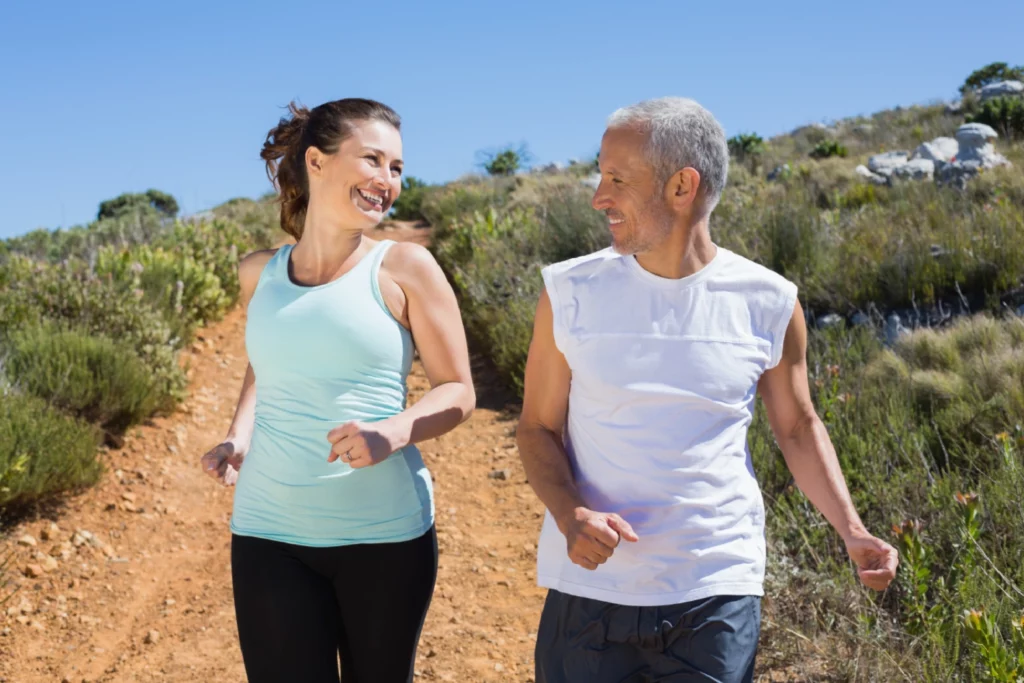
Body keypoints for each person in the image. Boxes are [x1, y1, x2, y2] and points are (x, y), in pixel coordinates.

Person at [516, 97, 899, 683]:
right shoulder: (569, 291)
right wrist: (570, 517)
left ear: (681, 186)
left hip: (716, 591)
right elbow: (537, 427)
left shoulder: (768, 301)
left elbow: (797, 427)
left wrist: (851, 530)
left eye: (616, 179)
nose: (599, 197)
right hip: (589, 592)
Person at [199, 98, 475, 683]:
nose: (388, 181)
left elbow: (457, 390)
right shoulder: (259, 273)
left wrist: (394, 431)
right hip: (267, 532)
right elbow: (267, 362)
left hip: (384, 537)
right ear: (317, 163)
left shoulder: (405, 268)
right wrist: (238, 435)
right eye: (372, 160)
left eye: (397, 168)